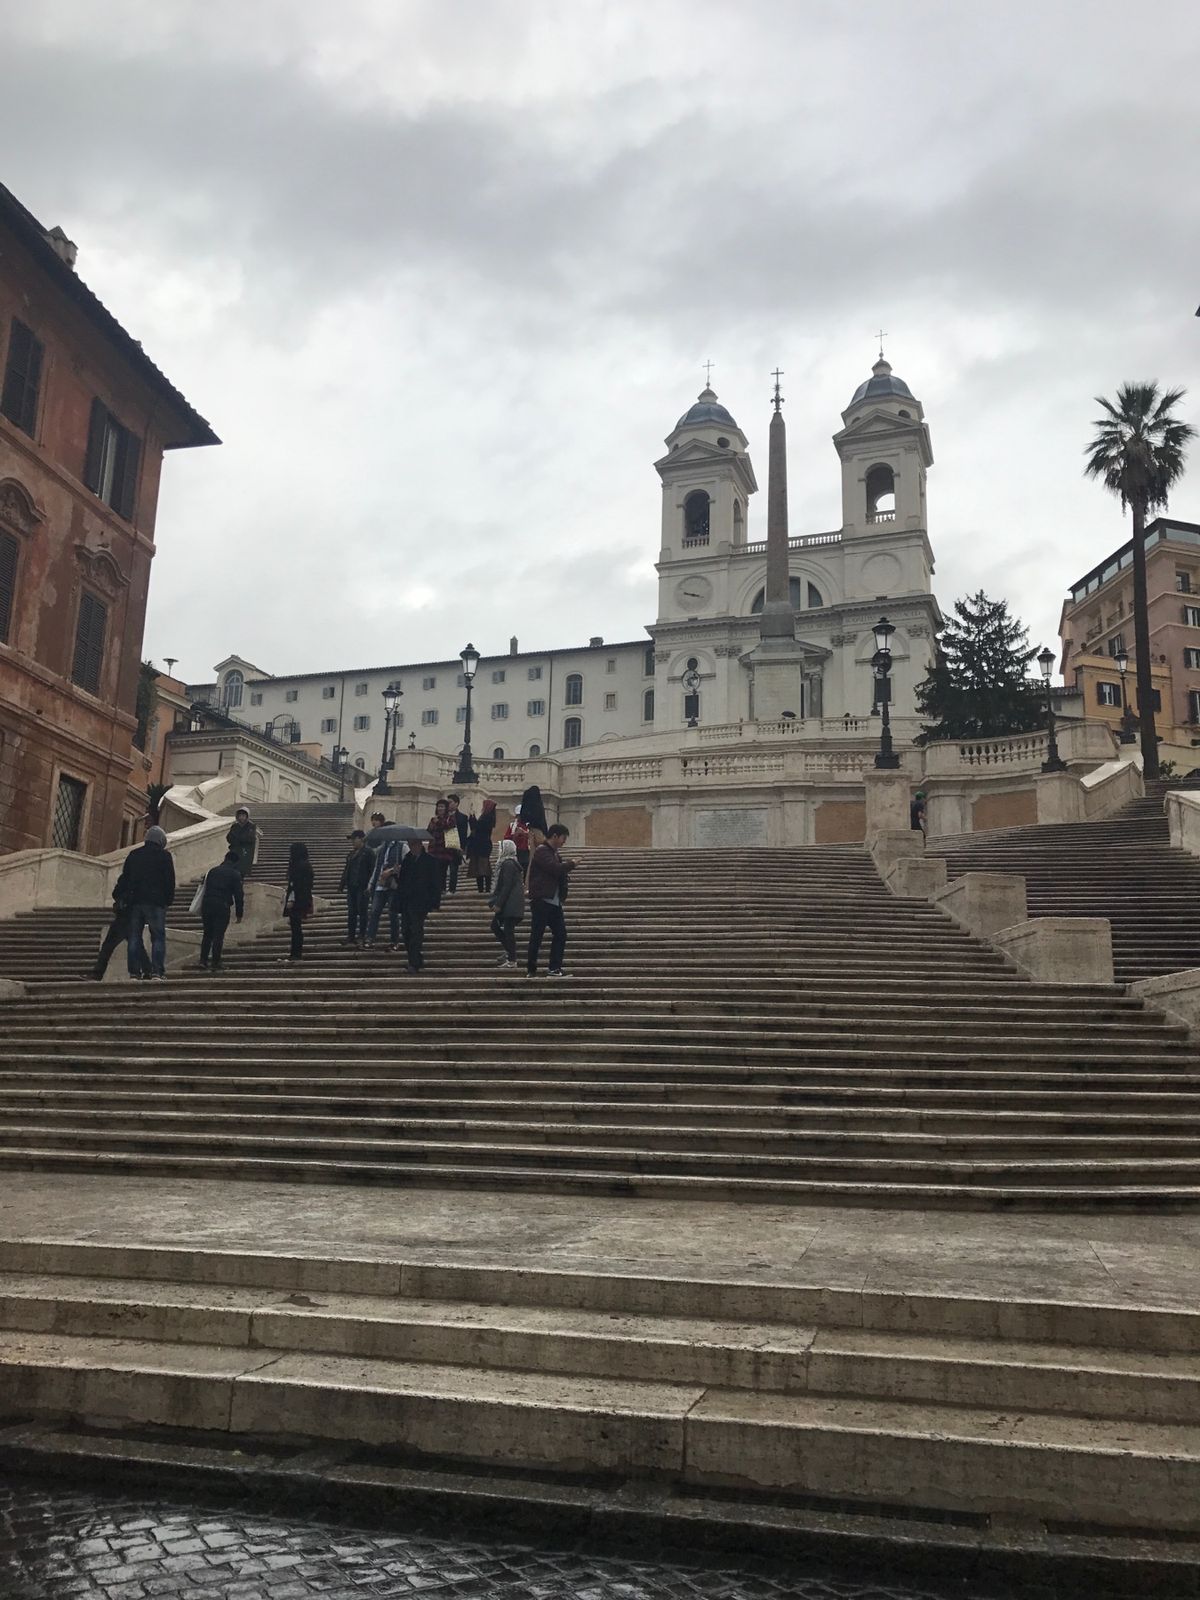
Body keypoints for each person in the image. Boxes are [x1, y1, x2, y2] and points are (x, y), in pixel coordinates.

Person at [120, 824, 176, 979]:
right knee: (158, 937)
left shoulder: (134, 855)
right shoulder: (164, 856)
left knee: (134, 937)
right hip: (156, 902)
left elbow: (125, 878)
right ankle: (157, 971)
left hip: (135, 902)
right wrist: (168, 900)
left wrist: (124, 898)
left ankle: (134, 972)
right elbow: (169, 881)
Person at [526, 823, 576, 979]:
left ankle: (554, 968)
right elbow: (554, 868)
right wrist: (571, 864)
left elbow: (558, 871)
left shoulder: (554, 853)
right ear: (555, 836)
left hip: (554, 902)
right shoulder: (542, 851)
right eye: (563, 838)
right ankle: (531, 969)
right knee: (537, 935)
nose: (564, 842)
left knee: (561, 933)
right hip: (542, 900)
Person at [395, 838, 441, 973]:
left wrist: (435, 902)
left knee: (416, 931)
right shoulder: (407, 860)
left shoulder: (430, 861)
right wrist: (397, 873)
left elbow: (436, 883)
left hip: (421, 902)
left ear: (420, 845)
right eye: (410, 845)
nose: (412, 847)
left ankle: (413, 963)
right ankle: (416, 959)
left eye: (414, 845)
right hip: (406, 901)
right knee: (405, 931)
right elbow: (402, 882)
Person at [93, 878, 151, 981]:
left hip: (124, 918)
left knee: (108, 946)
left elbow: (116, 892)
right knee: (137, 946)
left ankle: (97, 974)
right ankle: (148, 970)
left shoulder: (128, 879)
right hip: (132, 918)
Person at [198, 850, 245, 971]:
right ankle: (215, 961)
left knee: (207, 934)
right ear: (236, 862)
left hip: (207, 904)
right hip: (222, 906)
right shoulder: (235, 874)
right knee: (218, 935)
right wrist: (239, 913)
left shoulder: (212, 871)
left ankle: (203, 960)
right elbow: (239, 895)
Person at [488, 837, 525, 968]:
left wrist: (498, 904)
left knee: (506, 929)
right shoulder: (511, 863)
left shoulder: (508, 864)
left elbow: (506, 886)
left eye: (501, 848)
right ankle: (509, 952)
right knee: (498, 927)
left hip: (510, 904)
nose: (499, 850)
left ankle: (512, 957)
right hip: (512, 904)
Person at [365, 833, 405, 947]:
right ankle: (370, 938)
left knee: (393, 914)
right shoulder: (382, 848)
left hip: (393, 885)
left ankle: (394, 941)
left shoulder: (402, 847)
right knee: (374, 912)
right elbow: (377, 867)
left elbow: (407, 863)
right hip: (380, 885)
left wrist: (391, 871)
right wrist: (371, 883)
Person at [339, 829, 376, 946]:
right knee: (351, 912)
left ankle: (362, 935)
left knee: (362, 911)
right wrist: (342, 884)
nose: (352, 842)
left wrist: (370, 885)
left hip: (362, 886)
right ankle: (351, 935)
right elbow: (346, 871)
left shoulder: (368, 853)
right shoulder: (351, 854)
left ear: (361, 839)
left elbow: (373, 870)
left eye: (354, 839)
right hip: (352, 887)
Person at [282, 841, 314, 961]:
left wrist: (291, 899)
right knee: (296, 927)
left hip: (297, 900)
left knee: (296, 928)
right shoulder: (306, 865)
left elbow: (295, 885)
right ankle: (295, 953)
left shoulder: (298, 866)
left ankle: (295, 953)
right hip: (302, 899)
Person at [465, 798, 498, 893]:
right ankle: (484, 888)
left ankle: (485, 889)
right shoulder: (487, 817)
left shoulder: (487, 818)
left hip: (482, 845)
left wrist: (472, 817)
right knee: (479, 868)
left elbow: (477, 827)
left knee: (483, 867)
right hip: (481, 844)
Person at [427, 798, 454, 903]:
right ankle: (436, 890)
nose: (440, 808)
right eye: (438, 806)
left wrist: (438, 823)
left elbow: (449, 828)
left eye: (442, 806)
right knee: (434, 872)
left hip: (444, 850)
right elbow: (428, 832)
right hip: (433, 849)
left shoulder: (450, 819)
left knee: (442, 872)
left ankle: (442, 890)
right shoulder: (433, 819)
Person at [443, 792, 469, 895]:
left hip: (455, 846)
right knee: (443, 869)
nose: (448, 805)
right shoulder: (443, 816)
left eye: (450, 802)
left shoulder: (462, 817)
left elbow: (463, 833)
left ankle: (452, 889)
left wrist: (462, 847)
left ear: (457, 803)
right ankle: (443, 888)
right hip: (443, 847)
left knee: (454, 869)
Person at [226, 808, 259, 878]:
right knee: (233, 869)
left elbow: (250, 838)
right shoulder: (235, 826)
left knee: (242, 870)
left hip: (245, 852)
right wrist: (238, 839)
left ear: (247, 816)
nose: (241, 818)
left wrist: (238, 838)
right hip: (235, 851)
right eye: (240, 815)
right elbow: (229, 838)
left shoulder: (251, 826)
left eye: (243, 815)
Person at [504, 810, 531, 878]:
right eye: (519, 815)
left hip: (526, 851)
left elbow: (533, 837)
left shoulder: (529, 826)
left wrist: (524, 834)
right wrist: (515, 835)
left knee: (526, 868)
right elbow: (506, 839)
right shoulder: (512, 826)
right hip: (515, 851)